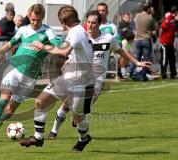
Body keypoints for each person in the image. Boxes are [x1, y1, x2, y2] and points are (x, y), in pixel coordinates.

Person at [47, 10, 151, 141]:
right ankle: (54, 131)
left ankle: (79, 124)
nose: (90, 25)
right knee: (67, 104)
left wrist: (137, 63)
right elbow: (70, 51)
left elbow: (122, 51)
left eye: (93, 23)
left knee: (83, 109)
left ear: (99, 24)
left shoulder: (108, 38)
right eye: (88, 22)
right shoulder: (81, 35)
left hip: (96, 80)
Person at [19, 5, 95, 151]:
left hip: (83, 82)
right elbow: (75, 52)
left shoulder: (76, 31)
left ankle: (84, 139)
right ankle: (38, 137)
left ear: (64, 21)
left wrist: (43, 46)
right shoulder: (78, 31)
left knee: (79, 117)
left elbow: (64, 51)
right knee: (41, 101)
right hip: (67, 78)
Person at [0, 4, 63, 142]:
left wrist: (45, 46)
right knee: (4, 97)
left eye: (38, 20)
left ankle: (0, 123)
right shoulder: (23, 30)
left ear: (42, 18)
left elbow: (59, 45)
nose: (35, 22)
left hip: (30, 77)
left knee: (9, 111)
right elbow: (10, 45)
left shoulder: (48, 32)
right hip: (14, 68)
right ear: (29, 16)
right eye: (32, 19)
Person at [130, 2, 156, 81]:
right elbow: (153, 31)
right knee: (146, 59)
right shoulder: (150, 17)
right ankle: (143, 76)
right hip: (146, 39)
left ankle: (131, 73)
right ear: (148, 9)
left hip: (137, 39)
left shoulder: (137, 16)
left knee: (136, 59)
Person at [159, 9, 178, 79]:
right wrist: (160, 39)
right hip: (165, 43)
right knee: (164, 59)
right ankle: (163, 74)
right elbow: (162, 28)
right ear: (174, 13)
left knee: (172, 58)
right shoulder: (168, 18)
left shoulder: (174, 21)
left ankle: (173, 74)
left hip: (170, 43)